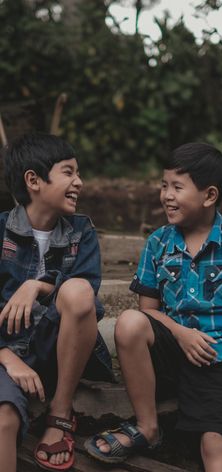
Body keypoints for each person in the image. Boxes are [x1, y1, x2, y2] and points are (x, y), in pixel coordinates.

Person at [85, 142, 222, 471]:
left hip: (216, 359)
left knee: (215, 443)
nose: (166, 195)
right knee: (128, 322)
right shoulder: (158, 243)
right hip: (169, 354)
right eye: (163, 185)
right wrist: (180, 333)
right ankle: (147, 426)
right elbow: (148, 311)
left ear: (209, 196)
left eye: (177, 187)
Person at [0, 133, 113, 472]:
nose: (79, 181)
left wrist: (37, 285)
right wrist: (7, 357)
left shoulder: (81, 231)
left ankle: (60, 412)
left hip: (61, 350)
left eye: (78, 173)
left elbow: (87, 298)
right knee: (4, 420)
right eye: (68, 172)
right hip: (8, 354)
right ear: (33, 180)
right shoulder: (1, 230)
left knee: (78, 290)